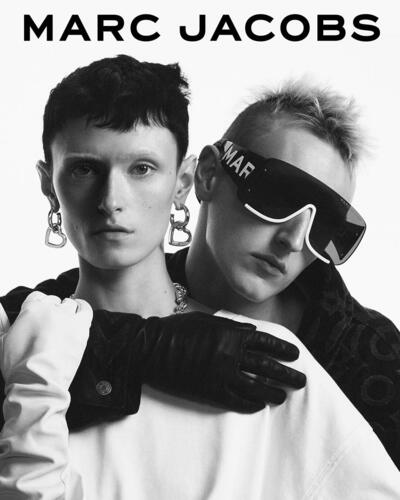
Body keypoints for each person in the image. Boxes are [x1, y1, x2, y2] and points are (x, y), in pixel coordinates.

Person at [1, 55, 400, 499]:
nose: (292, 239)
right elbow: (29, 323)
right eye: (277, 196)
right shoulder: (59, 311)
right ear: (205, 176)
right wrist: (148, 348)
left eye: (325, 226)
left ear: (181, 182)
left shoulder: (371, 359)